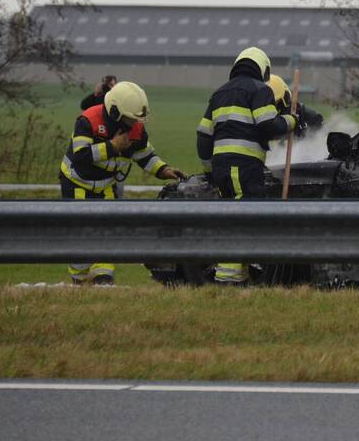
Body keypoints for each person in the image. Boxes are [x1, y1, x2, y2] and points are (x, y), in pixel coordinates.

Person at [61, 80, 185, 285]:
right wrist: (112, 146)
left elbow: (144, 156)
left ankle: (103, 279)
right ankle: (79, 281)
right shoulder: (88, 120)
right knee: (82, 233)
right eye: (130, 119)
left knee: (107, 231)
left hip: (106, 187)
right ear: (115, 111)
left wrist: (163, 169)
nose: (133, 124)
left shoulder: (136, 129)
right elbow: (80, 155)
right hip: (77, 184)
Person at [197, 48, 298, 284]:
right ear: (262, 69)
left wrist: (209, 170)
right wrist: (291, 121)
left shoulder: (219, 93)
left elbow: (203, 135)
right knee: (244, 217)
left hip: (223, 168)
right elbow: (267, 125)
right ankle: (229, 278)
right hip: (242, 166)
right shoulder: (260, 89)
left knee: (233, 216)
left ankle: (239, 275)